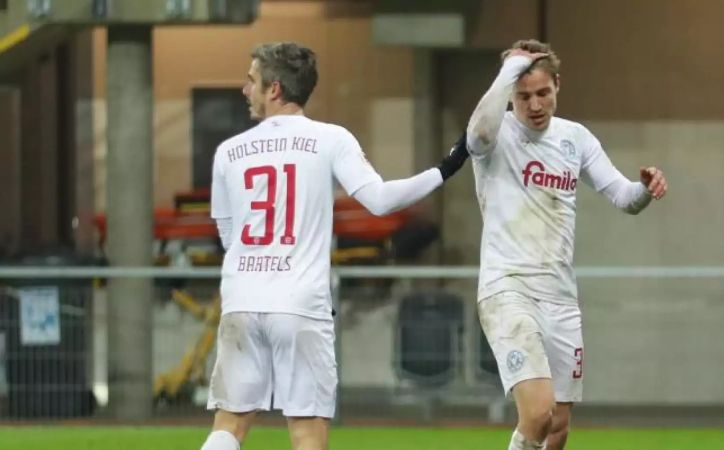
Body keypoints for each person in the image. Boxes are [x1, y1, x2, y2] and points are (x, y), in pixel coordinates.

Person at [200, 42, 469, 450]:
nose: (244, 89)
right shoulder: (329, 139)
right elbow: (380, 201)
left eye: (251, 80)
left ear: (275, 89)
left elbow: (227, 235)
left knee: (229, 425)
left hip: (242, 299)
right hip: (299, 302)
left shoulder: (229, 152)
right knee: (307, 432)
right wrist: (445, 168)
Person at [466, 39, 668, 450]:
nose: (535, 105)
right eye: (523, 97)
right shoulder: (497, 133)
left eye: (543, 93)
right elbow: (476, 135)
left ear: (558, 84)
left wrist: (646, 189)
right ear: (510, 96)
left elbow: (624, 197)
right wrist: (508, 71)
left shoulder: (575, 138)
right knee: (537, 413)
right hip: (508, 288)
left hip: (559, 296)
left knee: (557, 427)